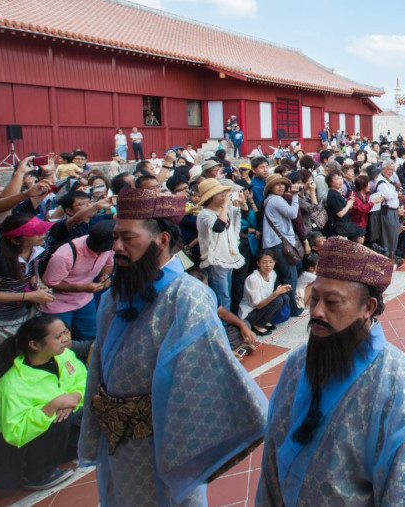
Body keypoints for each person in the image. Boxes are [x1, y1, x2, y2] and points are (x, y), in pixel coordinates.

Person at [78, 187, 267, 505]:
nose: (117, 248)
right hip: (116, 445)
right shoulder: (114, 296)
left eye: (128, 238)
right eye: (115, 238)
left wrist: (133, 412)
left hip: (162, 444)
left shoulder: (187, 295)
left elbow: (198, 380)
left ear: (162, 241)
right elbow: (99, 363)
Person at [257, 238, 405, 505]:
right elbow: (272, 460)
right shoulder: (297, 363)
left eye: (332, 302)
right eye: (315, 298)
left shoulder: (398, 388)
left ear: (367, 308)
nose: (318, 312)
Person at [0, 316, 86, 491]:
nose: (66, 338)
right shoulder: (11, 386)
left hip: (59, 423)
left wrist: (76, 396)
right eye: (58, 337)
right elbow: (15, 433)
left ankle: (49, 457)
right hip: (6, 441)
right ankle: (37, 475)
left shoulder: (62, 356)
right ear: (34, 345)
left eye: (66, 332)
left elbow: (82, 378)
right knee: (5, 485)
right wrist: (50, 407)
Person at [0, 214, 55, 371]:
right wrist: (29, 296)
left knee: (20, 354)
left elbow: (33, 274)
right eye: (36, 233)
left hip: (24, 313)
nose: (42, 235)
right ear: (16, 240)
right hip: (0, 320)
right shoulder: (1, 260)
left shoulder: (38, 250)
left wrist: (37, 284)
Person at [40, 221, 114, 341]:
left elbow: (109, 264)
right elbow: (50, 282)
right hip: (58, 305)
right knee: (61, 341)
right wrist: (82, 288)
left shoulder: (109, 246)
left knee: (90, 337)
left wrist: (105, 276)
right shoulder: (64, 256)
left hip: (85, 301)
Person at [196, 178, 245, 312]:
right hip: (216, 260)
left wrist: (242, 202)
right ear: (211, 197)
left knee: (227, 294)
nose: (224, 196)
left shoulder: (224, 210)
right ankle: (223, 326)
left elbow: (241, 214)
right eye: (220, 194)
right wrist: (225, 207)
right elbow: (219, 227)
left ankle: (227, 325)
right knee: (222, 298)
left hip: (228, 256)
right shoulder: (205, 214)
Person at [261, 174, 304, 316]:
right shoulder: (276, 200)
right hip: (279, 243)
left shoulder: (269, 200)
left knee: (280, 276)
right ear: (270, 187)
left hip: (274, 242)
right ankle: (293, 308)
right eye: (277, 184)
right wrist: (295, 196)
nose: (281, 187)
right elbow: (292, 214)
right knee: (290, 275)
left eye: (282, 184)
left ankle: (283, 308)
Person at [240, 250, 288, 336]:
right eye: (264, 262)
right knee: (278, 300)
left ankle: (264, 321)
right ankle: (257, 325)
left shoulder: (273, 274)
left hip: (262, 308)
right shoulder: (253, 279)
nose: (268, 265)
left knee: (285, 298)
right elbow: (258, 305)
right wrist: (275, 294)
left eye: (271, 262)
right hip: (250, 313)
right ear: (258, 263)